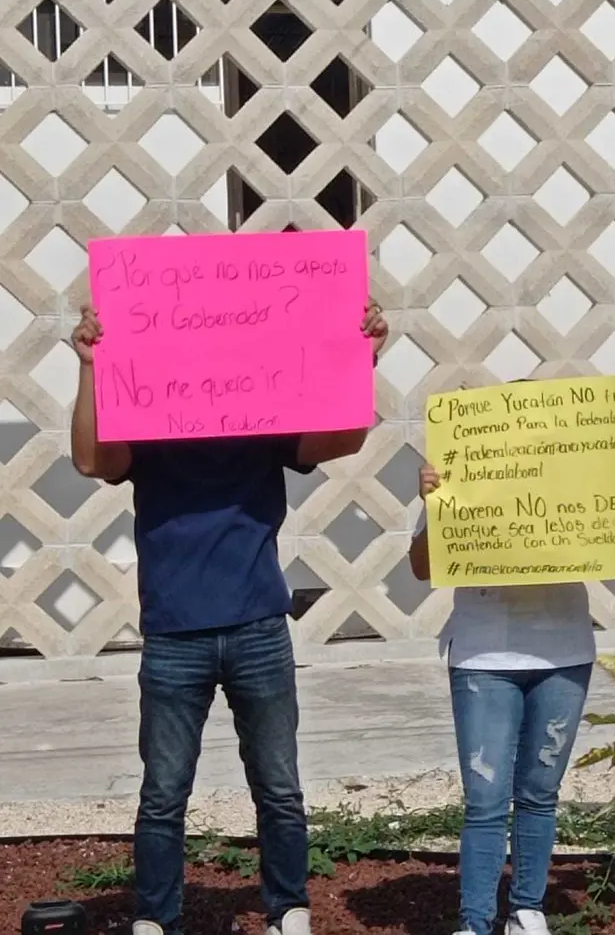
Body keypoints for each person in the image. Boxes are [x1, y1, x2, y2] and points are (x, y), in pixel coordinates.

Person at [70, 302, 388, 935]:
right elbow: (91, 461)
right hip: (173, 634)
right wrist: (90, 368)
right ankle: (156, 919)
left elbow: (342, 436)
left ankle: (288, 910)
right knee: (163, 795)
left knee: (279, 789)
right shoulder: (147, 416)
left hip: (259, 627)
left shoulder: (263, 409)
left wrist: (363, 356)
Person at [410, 460, 594, 935]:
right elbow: (423, 565)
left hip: (563, 651)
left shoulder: (580, 474)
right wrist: (431, 501)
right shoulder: (457, 476)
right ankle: (476, 921)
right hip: (483, 655)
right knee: (486, 799)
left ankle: (527, 908)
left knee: (539, 793)